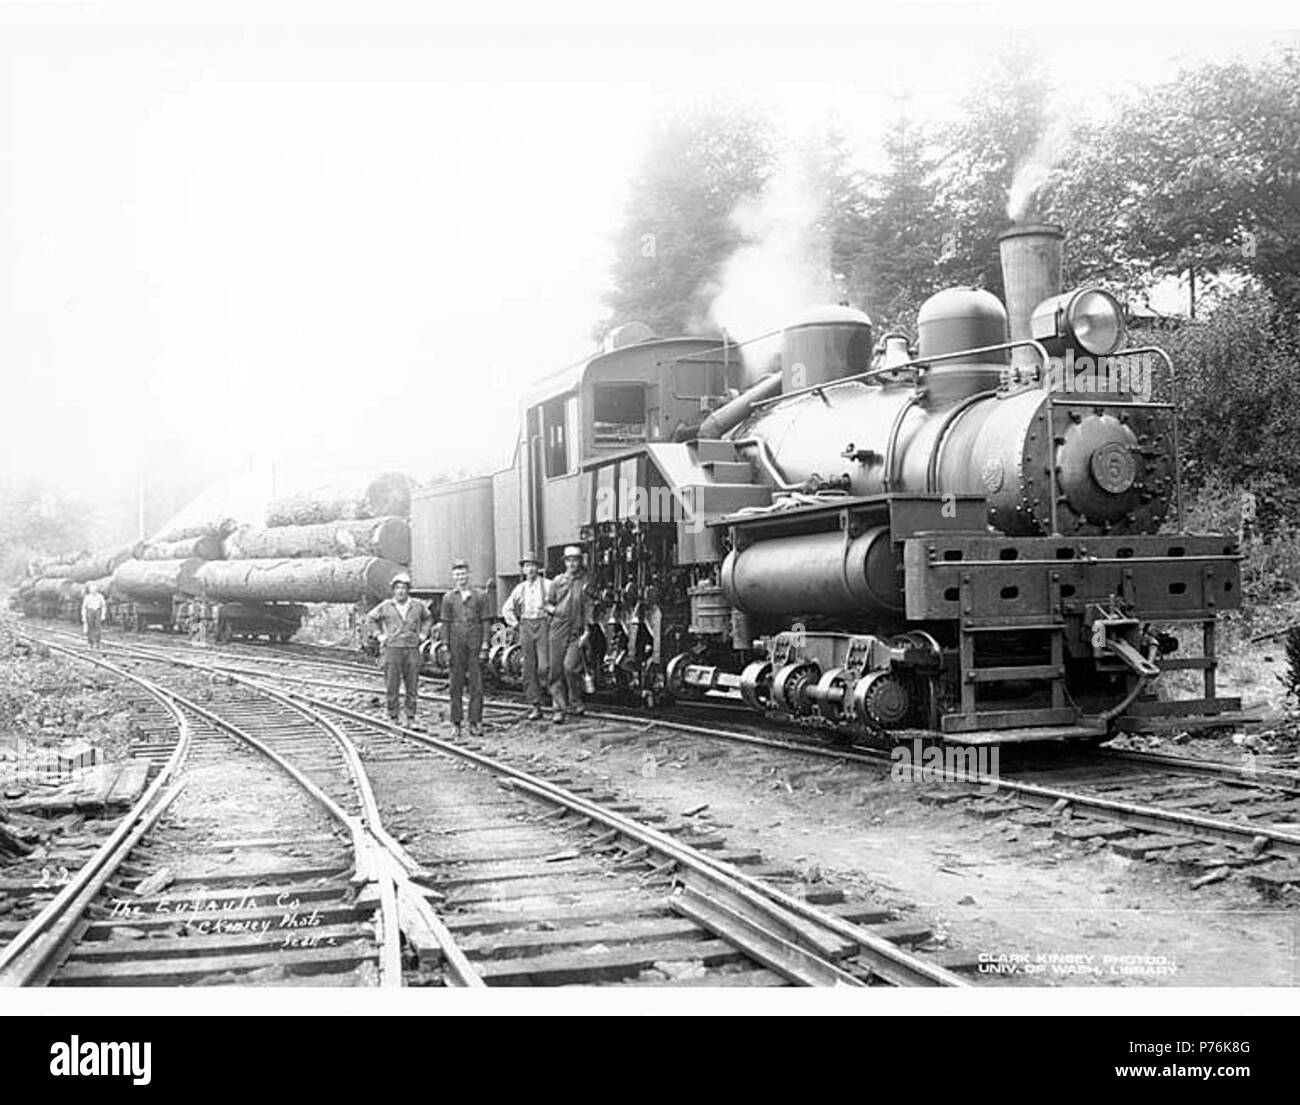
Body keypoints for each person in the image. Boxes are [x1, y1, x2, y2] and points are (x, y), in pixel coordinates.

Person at [365, 572, 433, 728]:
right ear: (393, 590)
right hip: (392, 648)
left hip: (412, 648)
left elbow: (428, 618)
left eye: (403, 588)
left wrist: (423, 634)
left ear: (408, 589)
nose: (401, 591)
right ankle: (393, 716)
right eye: (397, 588)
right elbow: (370, 618)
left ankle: (411, 717)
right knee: (392, 684)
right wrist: (379, 635)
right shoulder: (386, 606)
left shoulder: (417, 605)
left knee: (412, 685)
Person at [440, 558, 491, 738]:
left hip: (475, 641)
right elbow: (444, 624)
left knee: (476, 683)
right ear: (454, 576)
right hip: (456, 642)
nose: (461, 577)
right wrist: (445, 647)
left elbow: (486, 622)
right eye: (457, 574)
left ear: (468, 574)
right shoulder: (448, 598)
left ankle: (475, 722)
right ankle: (456, 723)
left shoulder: (480, 596)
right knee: (456, 684)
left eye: (463, 573)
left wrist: (485, 644)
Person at [545, 545, 594, 724]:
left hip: (577, 631)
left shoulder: (585, 582)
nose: (572, 563)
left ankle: (575, 701)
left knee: (570, 667)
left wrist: (587, 633)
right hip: (557, 630)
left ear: (580, 562)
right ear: (565, 562)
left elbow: (589, 608)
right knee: (555, 671)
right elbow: (547, 603)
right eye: (569, 560)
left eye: (575, 560)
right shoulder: (558, 581)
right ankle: (558, 709)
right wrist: (556, 611)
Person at [501, 551, 550, 720]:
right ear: (523, 570)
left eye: (533, 565)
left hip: (543, 625)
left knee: (544, 666)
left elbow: (558, 604)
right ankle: (535, 705)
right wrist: (515, 625)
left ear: (538, 568)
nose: (530, 569)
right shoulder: (519, 589)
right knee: (529, 668)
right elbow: (506, 609)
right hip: (526, 626)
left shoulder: (548, 585)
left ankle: (553, 699)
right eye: (527, 566)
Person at [81, 582, 107, 650]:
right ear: (90, 591)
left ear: (96, 590)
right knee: (90, 628)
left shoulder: (100, 596)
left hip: (97, 612)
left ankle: (97, 643)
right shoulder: (87, 597)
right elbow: (84, 607)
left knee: (98, 628)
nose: (93, 591)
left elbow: (103, 606)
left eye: (94, 590)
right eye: (92, 590)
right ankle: (90, 643)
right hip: (90, 612)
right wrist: (83, 617)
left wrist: (103, 615)